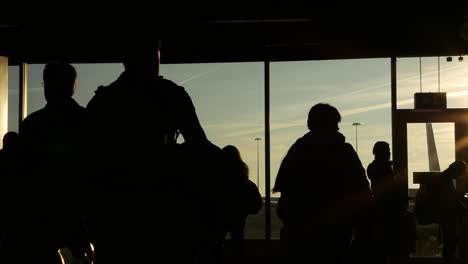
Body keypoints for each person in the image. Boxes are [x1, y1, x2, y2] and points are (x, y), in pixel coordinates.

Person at [86, 37, 214, 263]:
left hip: (115, 213)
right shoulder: (171, 95)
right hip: (162, 210)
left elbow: (88, 161)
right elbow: (198, 144)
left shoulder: (103, 101)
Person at [272, 103, 372, 264]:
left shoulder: (297, 151)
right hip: (336, 230)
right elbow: (361, 188)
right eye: (335, 124)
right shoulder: (344, 152)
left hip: (300, 229)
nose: (338, 129)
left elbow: (284, 186)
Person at [15, 62, 91, 263]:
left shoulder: (32, 124)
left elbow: (24, 174)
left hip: (41, 217)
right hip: (79, 214)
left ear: (47, 85)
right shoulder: (87, 121)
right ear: (73, 86)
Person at [367, 141, 411, 264]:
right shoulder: (385, 169)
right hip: (389, 212)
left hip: (380, 211)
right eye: (387, 151)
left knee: (383, 248)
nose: (389, 153)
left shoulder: (373, 167)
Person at [217, 145, 262, 264]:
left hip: (222, 213)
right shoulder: (243, 177)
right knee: (237, 242)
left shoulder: (219, 177)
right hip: (239, 215)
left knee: (216, 242)